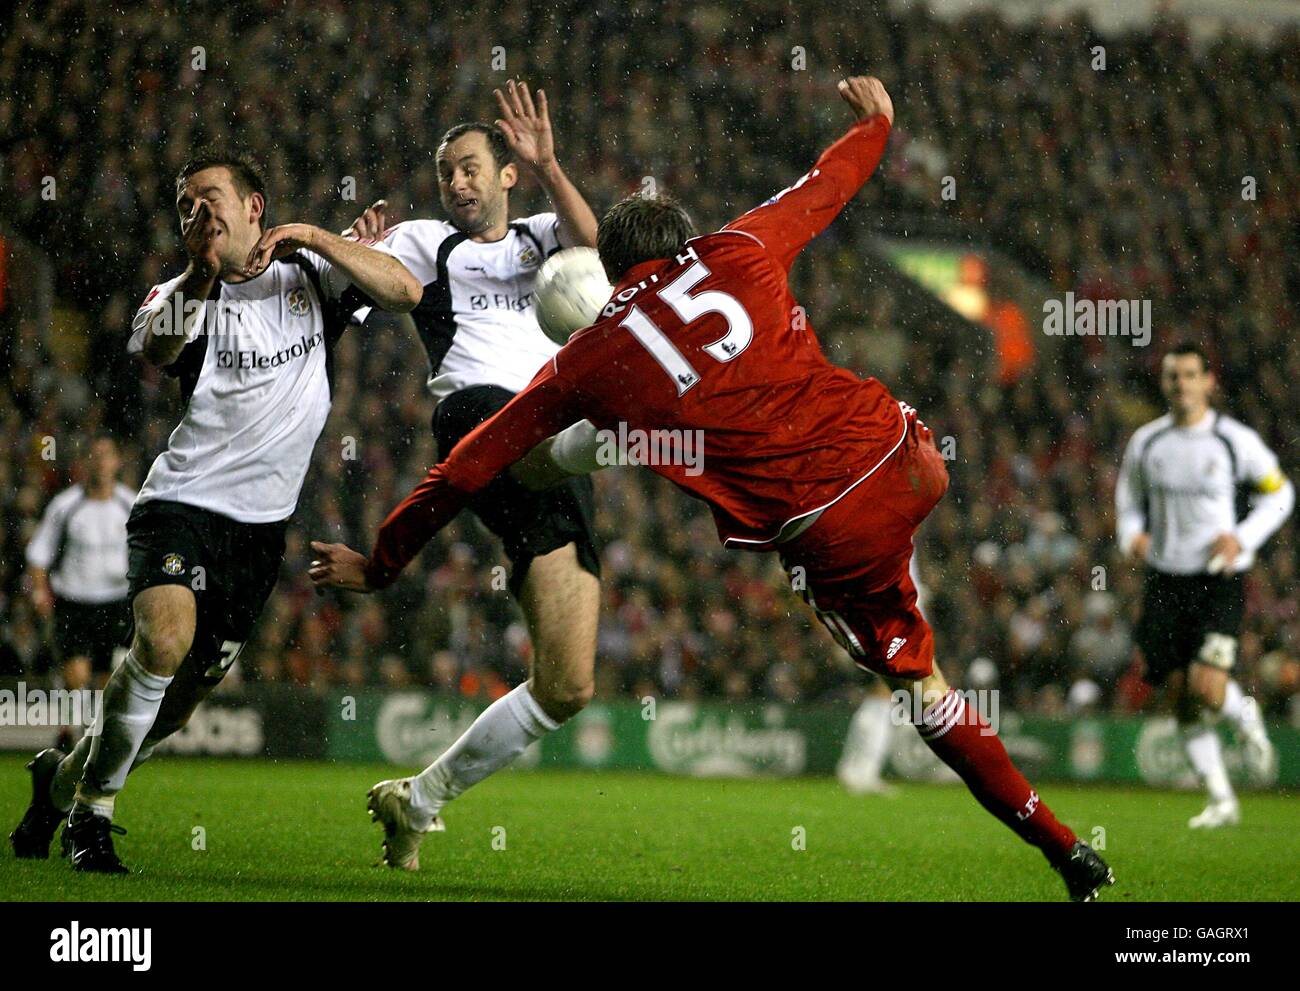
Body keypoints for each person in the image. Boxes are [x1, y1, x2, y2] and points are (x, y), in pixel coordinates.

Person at [311, 76, 1114, 901]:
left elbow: (462, 470)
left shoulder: (583, 359)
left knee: (921, 687)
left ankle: (1064, 849)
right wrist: (876, 125)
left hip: (823, 526)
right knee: (639, 435)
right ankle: (609, 448)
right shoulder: (739, 247)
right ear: (683, 239)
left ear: (610, 268)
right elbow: (826, 185)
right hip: (904, 453)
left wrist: (382, 558)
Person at [9, 147, 422, 872]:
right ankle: (91, 817)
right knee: (163, 641)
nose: (196, 212)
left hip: (260, 533)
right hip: (180, 505)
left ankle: (65, 778)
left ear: (253, 207)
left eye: (209, 197)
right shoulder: (177, 294)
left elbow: (406, 292)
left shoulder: (311, 278)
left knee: (177, 707)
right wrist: (200, 272)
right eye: (183, 204)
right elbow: (161, 347)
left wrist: (327, 239)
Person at [341, 81, 604, 870]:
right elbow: (377, 288)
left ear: (503, 175)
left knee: (567, 686)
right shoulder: (424, 240)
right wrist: (343, 244)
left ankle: (416, 800)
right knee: (550, 413)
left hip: (550, 441)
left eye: (467, 168)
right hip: (476, 417)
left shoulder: (540, 235)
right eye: (445, 171)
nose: (455, 182)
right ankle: (645, 428)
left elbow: (601, 257)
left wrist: (552, 164)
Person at [1116, 342, 1293, 827]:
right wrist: (1131, 535)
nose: (1181, 385)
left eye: (1190, 375)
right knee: (1178, 695)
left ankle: (1244, 713)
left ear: (1208, 382)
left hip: (1217, 581)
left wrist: (1242, 537)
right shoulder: (1147, 442)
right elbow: (1128, 501)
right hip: (1163, 581)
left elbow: (1282, 494)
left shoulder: (1234, 440)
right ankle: (1220, 799)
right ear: (1164, 383)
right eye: (1173, 376)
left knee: (1208, 689)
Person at [23, 435, 135, 750]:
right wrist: (40, 592)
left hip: (116, 602)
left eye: (106, 455)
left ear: (116, 462)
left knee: (105, 680)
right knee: (76, 675)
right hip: (74, 602)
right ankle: (73, 731)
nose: (100, 462)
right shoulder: (66, 505)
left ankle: (93, 740)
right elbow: (38, 555)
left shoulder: (130, 503)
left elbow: (147, 552)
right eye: (94, 455)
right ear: (86, 462)